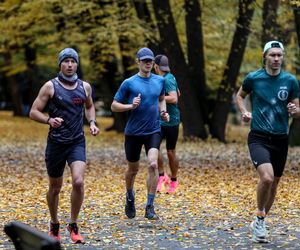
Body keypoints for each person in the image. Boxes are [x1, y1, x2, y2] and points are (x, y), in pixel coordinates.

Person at [29, 48, 99, 244]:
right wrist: (49, 120)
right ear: (60, 64)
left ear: (77, 64)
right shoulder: (50, 87)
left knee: (78, 182)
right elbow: (34, 112)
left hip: (77, 141)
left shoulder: (84, 87)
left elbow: (89, 106)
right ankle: (54, 223)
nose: (69, 65)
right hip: (56, 143)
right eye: (66, 61)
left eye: (73, 61)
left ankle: (73, 224)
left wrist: (92, 123)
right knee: (55, 188)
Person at [236, 41, 300, 243]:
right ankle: (260, 218)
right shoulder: (254, 78)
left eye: (279, 55)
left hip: (281, 138)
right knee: (267, 178)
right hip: (259, 137)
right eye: (272, 55)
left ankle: (260, 220)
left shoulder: (290, 81)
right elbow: (240, 96)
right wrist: (245, 111)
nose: (276, 59)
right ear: (265, 56)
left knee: (274, 184)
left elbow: (297, 110)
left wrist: (295, 111)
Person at [111, 47, 169, 220]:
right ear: (138, 62)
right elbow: (114, 105)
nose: (148, 63)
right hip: (133, 133)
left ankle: (150, 206)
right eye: (144, 61)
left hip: (153, 130)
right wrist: (130, 106)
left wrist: (163, 112)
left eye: (150, 61)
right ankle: (129, 196)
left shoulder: (160, 81)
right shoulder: (129, 83)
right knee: (133, 169)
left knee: (153, 165)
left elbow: (161, 99)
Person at [154, 55, 180, 194]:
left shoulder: (167, 79)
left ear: (156, 66)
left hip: (172, 121)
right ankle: (162, 176)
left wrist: (158, 97)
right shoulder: (166, 78)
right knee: (155, 148)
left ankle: (174, 180)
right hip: (159, 120)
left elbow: (174, 98)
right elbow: (178, 93)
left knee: (171, 152)